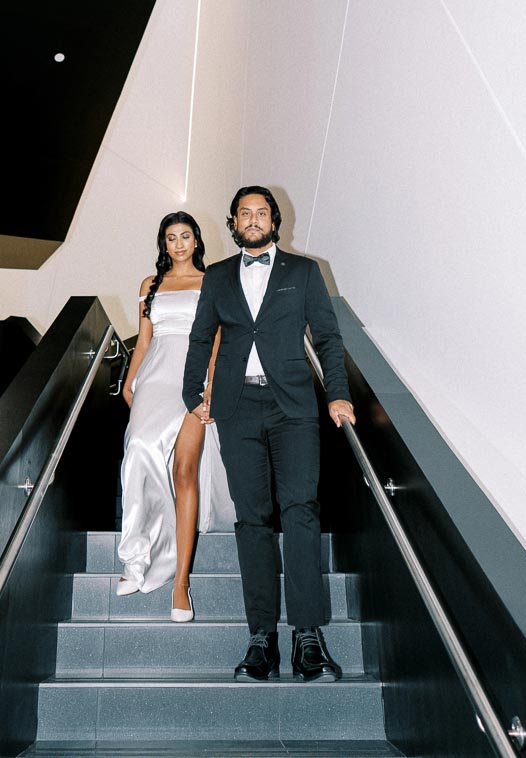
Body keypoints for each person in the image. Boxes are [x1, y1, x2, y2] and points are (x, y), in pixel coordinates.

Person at [182, 186, 356, 681]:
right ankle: (261, 637)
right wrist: (192, 393)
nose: (253, 220)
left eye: (262, 212)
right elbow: (200, 336)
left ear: (275, 221)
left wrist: (337, 393)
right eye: (245, 213)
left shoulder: (303, 272)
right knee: (252, 519)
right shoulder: (218, 276)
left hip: (293, 408)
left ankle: (307, 636)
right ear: (234, 223)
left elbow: (327, 336)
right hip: (236, 408)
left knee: (300, 510)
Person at [118, 211, 234, 621]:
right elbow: (144, 340)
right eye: (171, 237)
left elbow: (218, 342)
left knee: (184, 471)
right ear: (163, 244)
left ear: (196, 241)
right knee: (138, 451)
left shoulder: (212, 282)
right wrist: (129, 383)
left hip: (193, 379)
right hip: (154, 379)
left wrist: (212, 386)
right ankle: (136, 557)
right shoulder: (149, 285)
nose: (179, 244)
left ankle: (180, 582)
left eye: (185, 236)